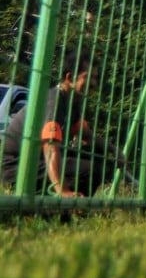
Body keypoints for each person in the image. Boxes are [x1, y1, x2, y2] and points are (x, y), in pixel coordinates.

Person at [1, 49, 106, 197]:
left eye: (96, 78)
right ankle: (59, 208)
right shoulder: (55, 101)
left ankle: (73, 207)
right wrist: (62, 191)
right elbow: (50, 147)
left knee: (95, 154)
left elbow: (87, 136)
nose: (94, 83)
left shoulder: (72, 102)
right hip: (17, 167)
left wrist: (115, 152)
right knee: (88, 169)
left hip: (38, 160)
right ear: (69, 78)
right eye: (88, 77)